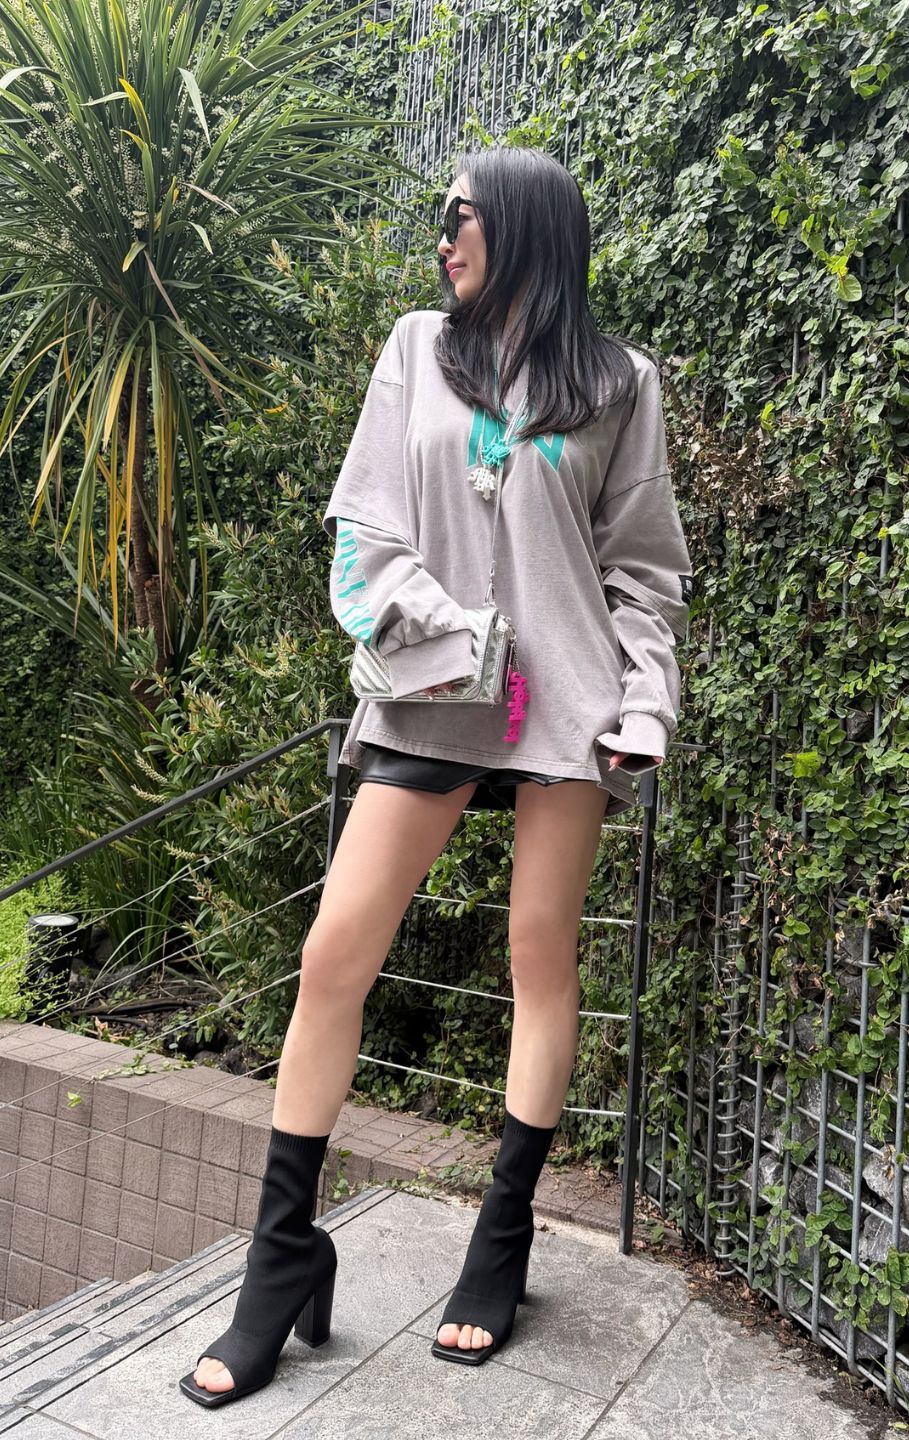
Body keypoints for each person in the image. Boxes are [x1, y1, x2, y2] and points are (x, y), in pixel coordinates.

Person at [179, 143, 693, 1407]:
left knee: (539, 958)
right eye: (443, 217)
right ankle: (282, 1259)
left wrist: (645, 703)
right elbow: (365, 523)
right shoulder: (417, 347)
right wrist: (449, 626)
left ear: (523, 226)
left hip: (567, 707)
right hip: (435, 690)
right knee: (332, 957)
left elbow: (642, 570)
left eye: (462, 216)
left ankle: (501, 1240)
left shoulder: (620, 380)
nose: (445, 238)